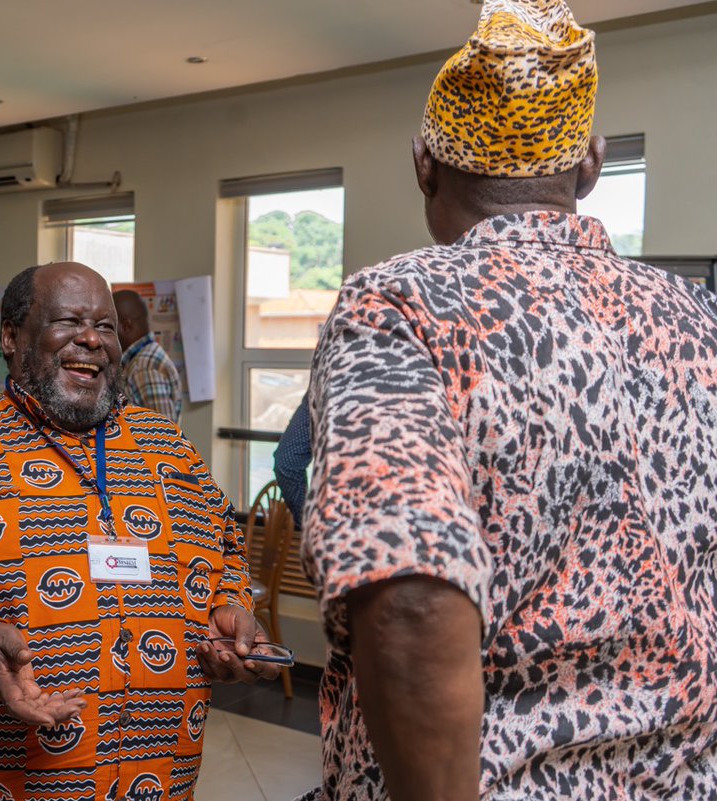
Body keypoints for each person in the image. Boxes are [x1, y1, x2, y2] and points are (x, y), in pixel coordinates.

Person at [300, 1, 717, 799]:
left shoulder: (398, 308)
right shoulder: (695, 316)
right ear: (590, 166)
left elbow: (412, 595)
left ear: (424, 163)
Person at [0, 262, 279, 801]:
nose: (91, 339)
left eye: (106, 326)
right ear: (12, 336)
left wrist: (228, 611)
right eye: (67, 320)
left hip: (158, 778)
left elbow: (226, 554)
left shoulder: (171, 450)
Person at [113, 289, 182, 423]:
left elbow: (163, 436)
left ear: (126, 326)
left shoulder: (144, 367)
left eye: (108, 326)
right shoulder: (141, 359)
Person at [272, 391, 311, 526]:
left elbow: (288, 459)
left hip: (332, 522)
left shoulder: (327, 374)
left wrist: (308, 521)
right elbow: (288, 459)